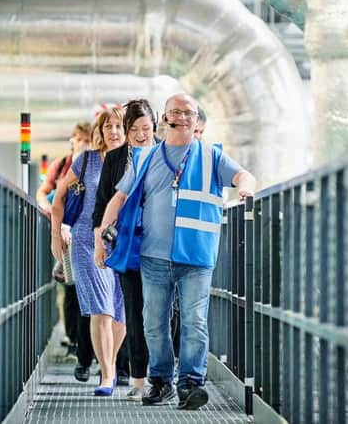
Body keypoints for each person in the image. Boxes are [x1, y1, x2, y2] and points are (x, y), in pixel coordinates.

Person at [99, 93, 255, 410]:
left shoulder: (212, 156)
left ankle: (190, 384)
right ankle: (161, 382)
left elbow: (243, 174)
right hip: (154, 257)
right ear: (165, 118)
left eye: (189, 113)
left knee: (194, 321)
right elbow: (118, 198)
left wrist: (246, 187)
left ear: (196, 120)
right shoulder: (146, 158)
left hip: (196, 257)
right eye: (176, 112)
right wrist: (103, 237)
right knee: (153, 322)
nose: (182, 117)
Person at [51, 106, 127, 397]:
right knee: (101, 310)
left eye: (119, 126)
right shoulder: (87, 161)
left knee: (120, 313)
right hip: (86, 240)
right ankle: (107, 375)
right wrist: (56, 235)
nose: (114, 132)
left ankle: (107, 362)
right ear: (100, 132)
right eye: (108, 127)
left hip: (124, 243)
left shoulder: (136, 160)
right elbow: (58, 198)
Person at [93, 99, 157, 401]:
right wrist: (100, 243)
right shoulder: (117, 159)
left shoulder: (165, 154)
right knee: (133, 310)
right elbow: (104, 202)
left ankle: (163, 376)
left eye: (146, 128)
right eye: (134, 130)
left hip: (163, 244)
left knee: (162, 313)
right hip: (129, 244)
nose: (141, 135)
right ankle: (139, 379)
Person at [35, 122, 91, 357]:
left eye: (87, 140)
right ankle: (76, 340)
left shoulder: (97, 165)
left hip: (86, 234)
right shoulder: (61, 167)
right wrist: (49, 210)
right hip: (66, 235)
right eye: (79, 140)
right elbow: (45, 192)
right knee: (71, 288)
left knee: (84, 288)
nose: (83, 145)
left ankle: (86, 345)